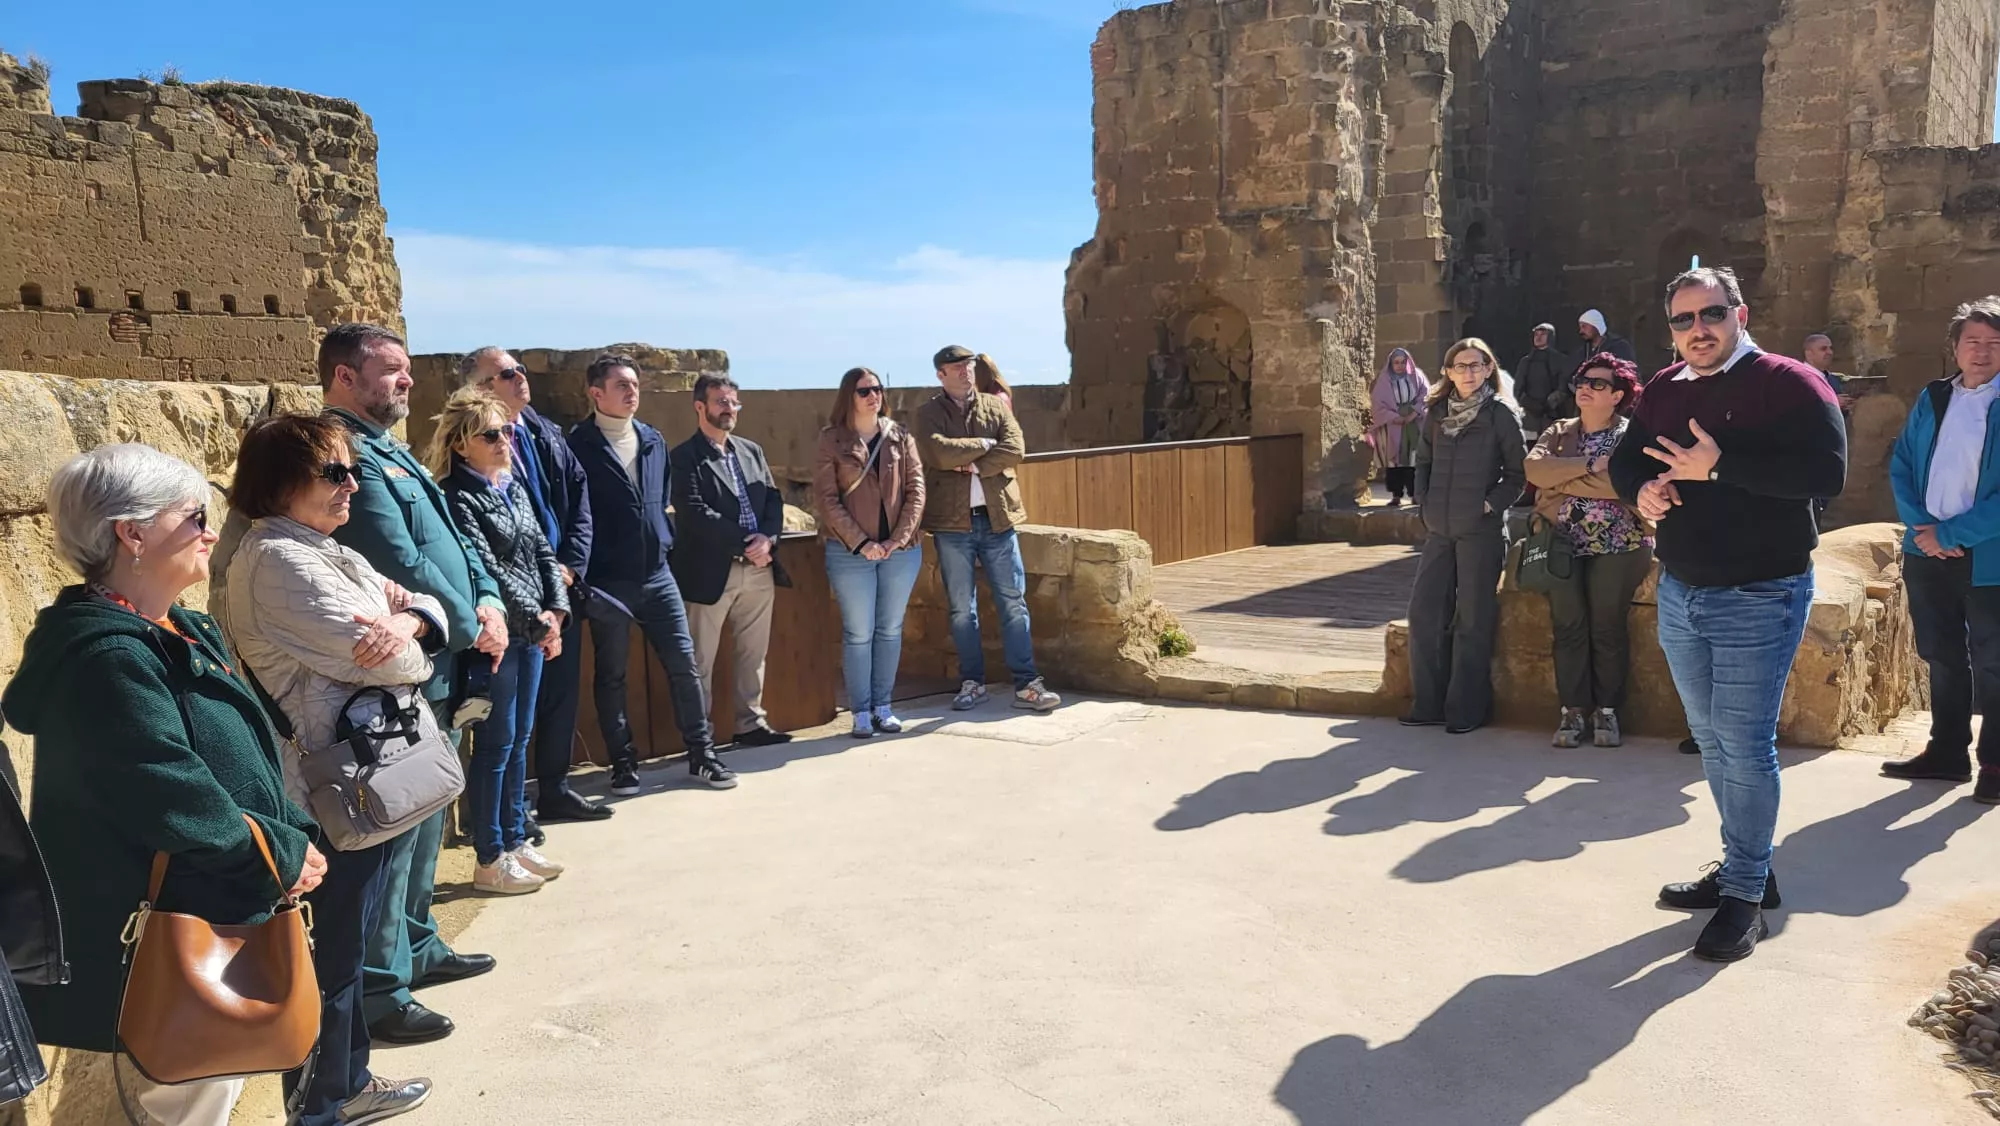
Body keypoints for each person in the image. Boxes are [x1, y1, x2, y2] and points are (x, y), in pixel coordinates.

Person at [1, 443, 327, 1126]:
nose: (210, 532)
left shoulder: (177, 627)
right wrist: (280, 854)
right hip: (171, 927)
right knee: (187, 1101)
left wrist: (290, 839)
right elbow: (169, 790)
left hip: (222, 898)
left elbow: (244, 760)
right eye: (194, 517)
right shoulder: (109, 656)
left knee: (212, 1090)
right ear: (132, 533)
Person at [1609, 265, 1846, 962]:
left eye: (1711, 314)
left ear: (1739, 314)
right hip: (1682, 589)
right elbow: (1626, 461)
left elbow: (1825, 474)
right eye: (1683, 320)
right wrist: (1642, 492)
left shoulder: (1789, 382)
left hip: (1760, 593)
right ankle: (1749, 867)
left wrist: (1719, 467)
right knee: (1712, 743)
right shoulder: (1664, 387)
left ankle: (1743, 896)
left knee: (1744, 747)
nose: (1698, 330)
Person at [222, 415, 439, 1125]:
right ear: (281, 482)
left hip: (365, 773)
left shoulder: (324, 549)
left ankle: (349, 1083)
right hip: (329, 787)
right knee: (332, 951)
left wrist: (408, 621)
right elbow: (397, 660)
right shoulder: (280, 561)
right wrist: (409, 634)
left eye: (354, 470)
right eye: (334, 472)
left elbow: (420, 607)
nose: (352, 485)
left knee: (348, 942)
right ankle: (319, 1104)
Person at [315, 324, 501, 1046]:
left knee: (428, 819)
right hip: (411, 662)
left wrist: (487, 600)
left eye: (405, 369)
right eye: (390, 370)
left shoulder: (389, 449)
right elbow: (399, 560)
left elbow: (452, 543)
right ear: (343, 378)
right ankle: (381, 990)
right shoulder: (345, 453)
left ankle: (418, 946)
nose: (407, 380)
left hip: (443, 655)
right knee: (397, 828)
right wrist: (470, 623)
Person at [568, 354, 737, 793]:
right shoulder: (577, 445)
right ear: (596, 393)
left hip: (658, 574)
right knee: (612, 675)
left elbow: (660, 500)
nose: (632, 392)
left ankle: (702, 755)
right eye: (621, 385)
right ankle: (623, 764)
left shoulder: (652, 439)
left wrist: (661, 540)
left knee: (684, 664)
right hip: (609, 580)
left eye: (635, 385)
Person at [432, 388, 572, 893]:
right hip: (500, 636)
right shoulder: (456, 496)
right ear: (461, 443)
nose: (504, 441)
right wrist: (538, 620)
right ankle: (490, 856)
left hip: (531, 631)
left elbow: (542, 553)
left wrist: (557, 611)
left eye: (507, 431)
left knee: (519, 741)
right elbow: (486, 569)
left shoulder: (511, 486)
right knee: (495, 744)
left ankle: (515, 839)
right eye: (491, 434)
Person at [465, 347, 609, 825]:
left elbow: (579, 498)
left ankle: (555, 789)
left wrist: (569, 569)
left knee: (559, 698)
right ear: (481, 388)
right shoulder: (473, 459)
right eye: (507, 373)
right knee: (510, 721)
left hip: (558, 587)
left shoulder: (544, 431)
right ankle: (511, 815)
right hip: (516, 604)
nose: (520, 377)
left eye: (521, 369)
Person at [1884, 297, 2000, 803]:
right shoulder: (1933, 397)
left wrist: (1951, 535)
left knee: (1994, 661)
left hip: (1989, 555)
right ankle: (1947, 752)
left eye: (1995, 343)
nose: (1982, 352)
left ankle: (1995, 764)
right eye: (1973, 341)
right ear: (1955, 347)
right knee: (1941, 654)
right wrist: (1923, 528)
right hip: (1926, 550)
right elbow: (1903, 462)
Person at [916, 345, 1062, 713]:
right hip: (952, 524)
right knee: (961, 609)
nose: (965, 371)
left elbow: (1015, 448)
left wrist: (974, 466)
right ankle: (973, 682)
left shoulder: (995, 406)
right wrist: (984, 444)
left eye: (968, 365)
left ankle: (1027, 684)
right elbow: (938, 453)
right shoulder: (928, 414)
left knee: (1013, 602)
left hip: (998, 519)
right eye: (956, 367)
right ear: (940, 374)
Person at [1524, 355, 1653, 749]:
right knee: (1568, 628)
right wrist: (1593, 464)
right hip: (1561, 544)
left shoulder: (1633, 436)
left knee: (1606, 629)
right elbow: (1534, 471)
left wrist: (1563, 478)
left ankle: (1607, 711)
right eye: (1581, 380)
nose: (1585, 387)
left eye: (1598, 383)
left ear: (1617, 395)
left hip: (1620, 545)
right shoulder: (1559, 431)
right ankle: (1573, 710)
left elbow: (1624, 486)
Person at [1400, 338, 1526, 735]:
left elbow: (1518, 476)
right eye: (1460, 365)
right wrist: (1424, 503)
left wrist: (1487, 506)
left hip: (1480, 532)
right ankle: (1428, 704)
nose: (1468, 372)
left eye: (1475, 365)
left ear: (1488, 369)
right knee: (1424, 614)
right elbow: (1423, 462)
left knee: (1472, 620)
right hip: (1439, 529)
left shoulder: (1500, 414)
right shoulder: (1437, 413)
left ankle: (1467, 710)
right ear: (1448, 372)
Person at [671, 374, 793, 749]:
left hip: (758, 568)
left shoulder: (751, 451)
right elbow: (694, 512)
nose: (729, 409)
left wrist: (767, 539)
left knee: (753, 654)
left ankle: (750, 723)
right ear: (700, 406)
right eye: (721, 402)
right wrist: (745, 542)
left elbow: (773, 500)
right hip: (710, 571)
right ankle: (700, 737)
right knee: (700, 660)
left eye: (733, 402)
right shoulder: (684, 457)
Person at [814, 367, 928, 737]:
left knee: (890, 629)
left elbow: (916, 490)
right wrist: (862, 543)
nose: (873, 396)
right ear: (849, 396)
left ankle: (884, 706)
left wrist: (897, 540)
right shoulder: (832, 439)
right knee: (859, 632)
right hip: (850, 553)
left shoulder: (900, 436)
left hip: (900, 550)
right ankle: (861, 711)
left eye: (877, 389)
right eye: (864, 391)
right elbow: (827, 500)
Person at [1368, 348, 1430, 506]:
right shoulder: (1384, 380)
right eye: (1396, 362)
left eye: (1403, 362)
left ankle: (1414, 494)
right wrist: (1395, 417)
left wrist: (1413, 413)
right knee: (1394, 461)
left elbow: (1426, 396)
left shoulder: (1417, 376)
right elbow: (1377, 404)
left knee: (1413, 460)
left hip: (1413, 424)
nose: (1400, 366)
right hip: (1393, 427)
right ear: (1391, 364)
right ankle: (1396, 495)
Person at [1514, 323, 1576, 435]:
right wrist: (1529, 404)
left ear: (1550, 337)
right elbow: (1518, 388)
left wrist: (1551, 403)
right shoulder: (1526, 361)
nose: (1538, 337)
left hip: (1554, 414)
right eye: (1536, 334)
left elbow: (1563, 387)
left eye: (1543, 334)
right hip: (1530, 415)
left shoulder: (1561, 360)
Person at [1802, 333, 1857, 413]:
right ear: (1809, 354)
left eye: (1831, 348)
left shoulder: (1834, 379)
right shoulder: (1796, 378)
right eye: (1823, 349)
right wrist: (1832, 403)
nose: (1830, 352)